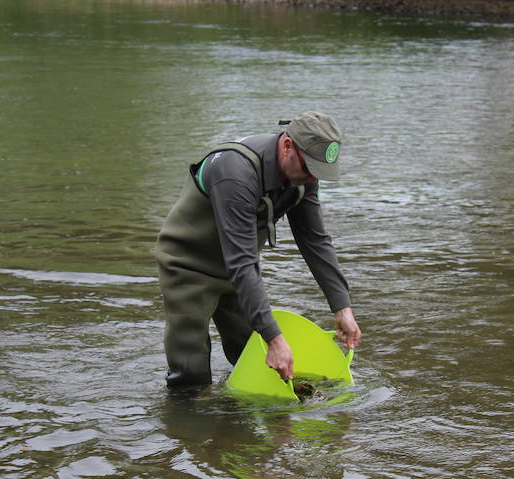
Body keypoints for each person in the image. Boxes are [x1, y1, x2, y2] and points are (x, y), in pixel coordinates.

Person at [154, 111, 361, 388]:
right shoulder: (236, 173)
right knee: (191, 374)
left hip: (239, 269)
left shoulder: (304, 175)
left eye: (318, 172)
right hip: (189, 265)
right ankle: (187, 426)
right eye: (309, 169)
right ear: (287, 146)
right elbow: (241, 262)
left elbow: (315, 240)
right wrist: (274, 338)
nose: (313, 179)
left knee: (252, 358)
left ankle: (239, 422)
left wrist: (342, 307)